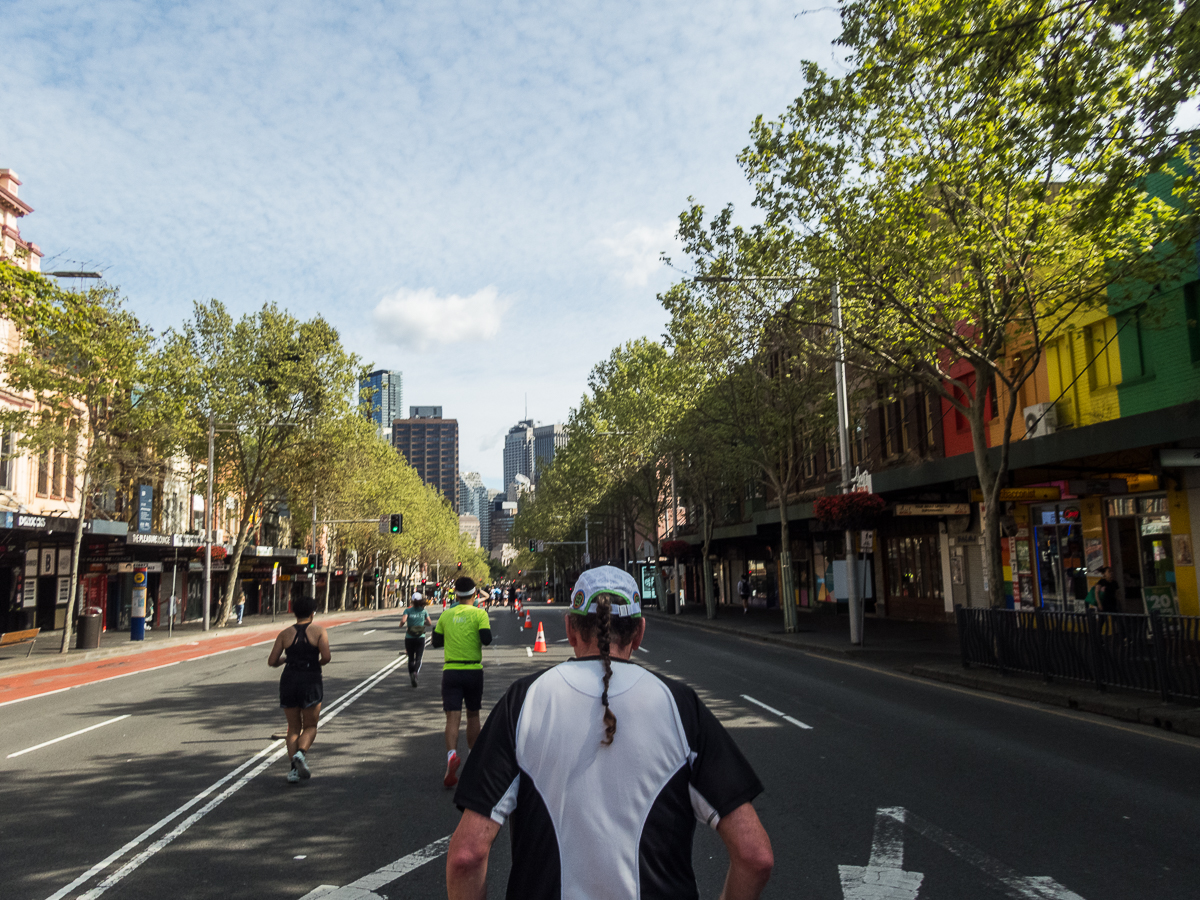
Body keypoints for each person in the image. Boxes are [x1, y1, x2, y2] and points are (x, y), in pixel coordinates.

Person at [447, 566, 773, 900]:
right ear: (639, 632)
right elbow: (755, 856)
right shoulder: (679, 706)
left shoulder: (524, 701)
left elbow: (466, 857)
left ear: (571, 630)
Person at [433, 576, 493, 788]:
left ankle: (451, 756)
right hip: (473, 670)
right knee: (473, 714)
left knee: (452, 717)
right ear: (474, 595)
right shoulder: (480, 614)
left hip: (451, 670)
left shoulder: (446, 615)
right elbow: (487, 639)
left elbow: (435, 642)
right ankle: (473, 761)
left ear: (456, 595)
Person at [267, 594, 331, 785]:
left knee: (293, 727)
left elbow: (272, 661)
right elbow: (326, 657)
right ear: (313, 613)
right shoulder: (319, 631)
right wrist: (314, 663)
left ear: (294, 613)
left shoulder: (285, 634)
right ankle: (301, 754)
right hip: (310, 679)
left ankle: (293, 771)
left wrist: (287, 659)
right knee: (310, 725)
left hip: (289, 680)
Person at [401, 591, 431, 687]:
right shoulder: (424, 611)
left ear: (412, 601)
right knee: (418, 658)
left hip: (409, 637)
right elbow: (429, 623)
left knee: (410, 658)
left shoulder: (408, 611)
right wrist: (422, 623)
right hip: (420, 637)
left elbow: (403, 620)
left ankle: (411, 674)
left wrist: (401, 624)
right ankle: (415, 673)